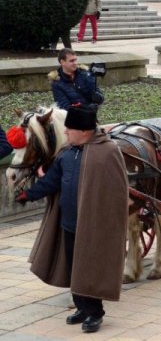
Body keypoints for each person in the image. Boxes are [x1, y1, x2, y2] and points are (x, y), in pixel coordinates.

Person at [15, 106, 129, 333]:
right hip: (69, 222)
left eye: (70, 129)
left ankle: (95, 312)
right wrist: (29, 194)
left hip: (94, 226)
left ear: (84, 131)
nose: (65, 133)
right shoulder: (67, 153)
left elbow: (117, 192)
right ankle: (81, 307)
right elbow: (52, 181)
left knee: (89, 268)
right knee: (73, 266)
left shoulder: (107, 152)